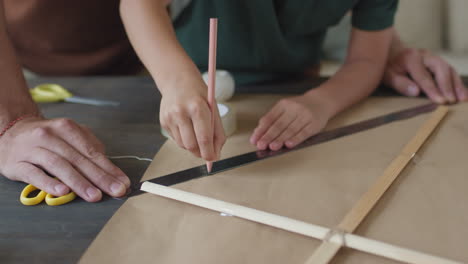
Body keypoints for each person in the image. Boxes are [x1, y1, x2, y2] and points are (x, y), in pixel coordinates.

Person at [0, 0, 465, 202]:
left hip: (289, 83)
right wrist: (178, 81)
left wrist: (320, 103)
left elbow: (367, 57)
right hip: (186, 79)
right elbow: (138, 6)